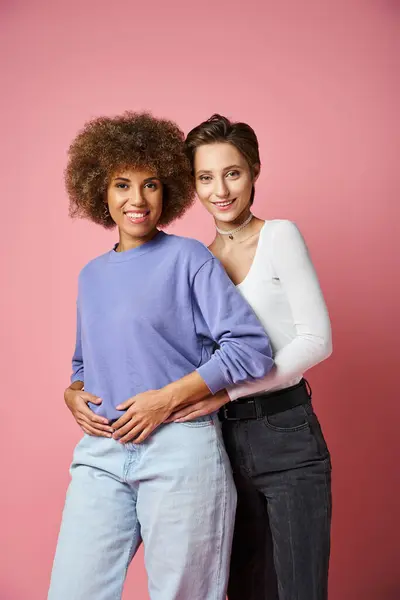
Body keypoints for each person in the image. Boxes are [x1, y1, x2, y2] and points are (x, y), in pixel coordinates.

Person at [48, 112, 274, 600]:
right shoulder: (91, 275)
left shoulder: (189, 258)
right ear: (100, 193)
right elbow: (85, 365)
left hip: (179, 451)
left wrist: (167, 400)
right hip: (102, 455)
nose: (137, 199)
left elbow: (250, 347)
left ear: (167, 190)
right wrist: (72, 394)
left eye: (150, 185)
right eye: (122, 185)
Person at [173, 114, 333, 600]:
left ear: (255, 170)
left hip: (287, 435)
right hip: (221, 444)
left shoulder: (280, 235)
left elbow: (316, 341)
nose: (220, 189)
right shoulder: (198, 260)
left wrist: (225, 391)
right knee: (243, 589)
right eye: (205, 177)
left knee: (298, 589)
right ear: (194, 185)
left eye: (232, 172)